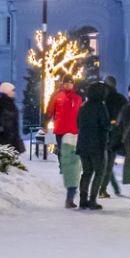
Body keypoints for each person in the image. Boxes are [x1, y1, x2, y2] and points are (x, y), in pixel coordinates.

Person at [75, 81, 113, 211]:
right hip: (97, 145)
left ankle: (83, 199)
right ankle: (92, 199)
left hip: (83, 144)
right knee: (99, 172)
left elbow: (78, 124)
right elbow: (105, 125)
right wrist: (112, 124)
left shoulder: (83, 107)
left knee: (86, 172)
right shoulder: (100, 107)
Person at [47, 78, 85, 208]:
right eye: (66, 83)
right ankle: (63, 166)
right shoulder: (57, 96)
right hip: (60, 129)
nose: (68, 85)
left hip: (74, 130)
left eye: (70, 83)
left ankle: (69, 168)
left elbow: (81, 113)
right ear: (63, 84)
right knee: (63, 152)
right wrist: (45, 123)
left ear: (73, 84)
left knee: (73, 155)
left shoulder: (77, 98)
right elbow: (50, 110)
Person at [0, 82, 23, 153]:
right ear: (6, 91)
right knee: (6, 157)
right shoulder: (3, 103)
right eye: (12, 90)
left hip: (10, 136)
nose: (14, 92)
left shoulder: (9, 102)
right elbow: (0, 119)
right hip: (6, 137)